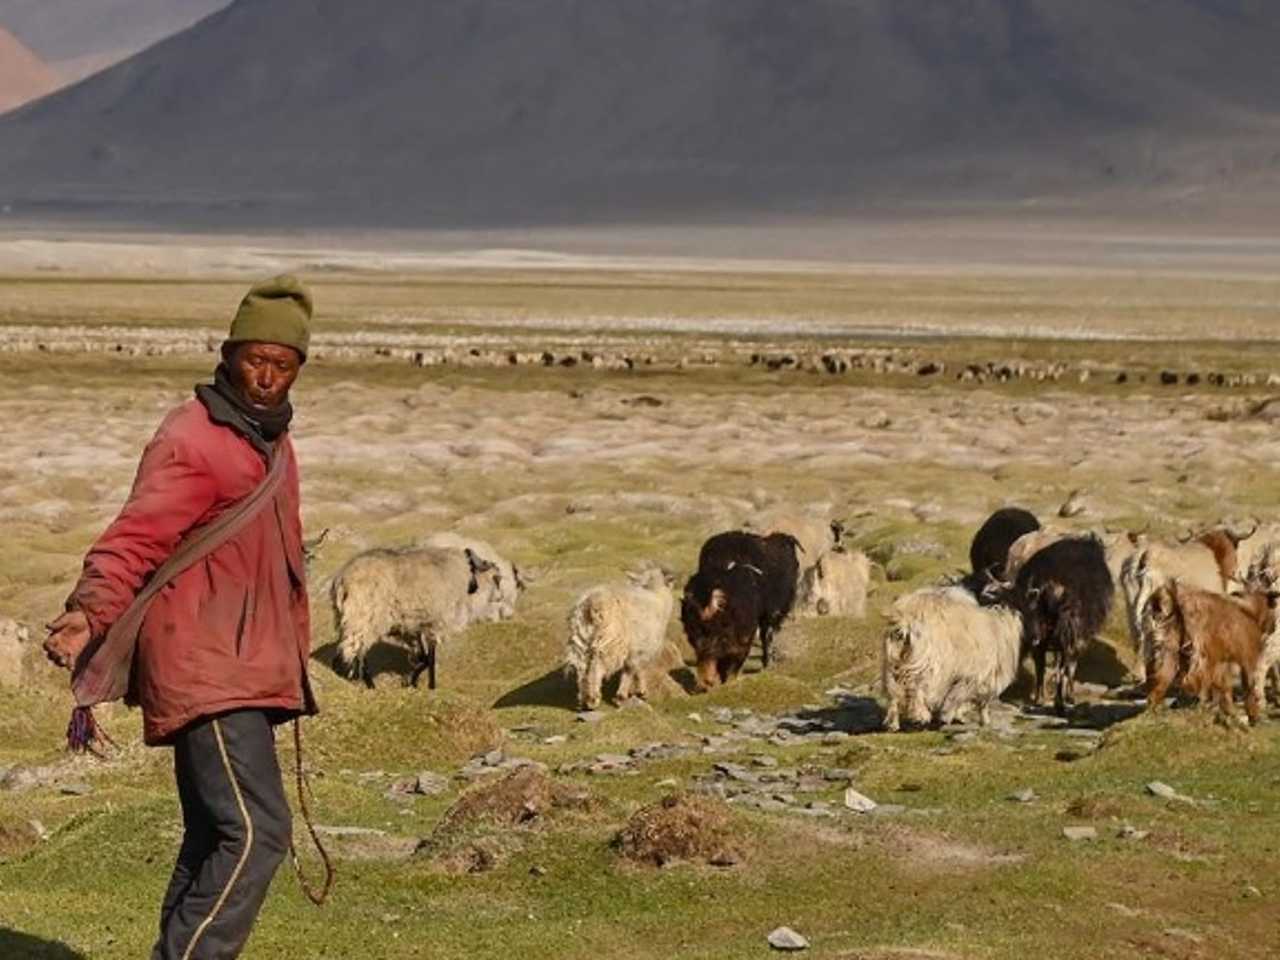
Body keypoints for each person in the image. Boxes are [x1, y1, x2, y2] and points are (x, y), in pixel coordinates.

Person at [43, 275, 319, 960]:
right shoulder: (195, 438)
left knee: (213, 834)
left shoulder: (270, 444)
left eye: (281, 365)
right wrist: (87, 611)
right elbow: (136, 535)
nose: (265, 375)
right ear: (228, 354)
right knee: (256, 831)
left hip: (243, 659)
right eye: (254, 359)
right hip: (205, 661)